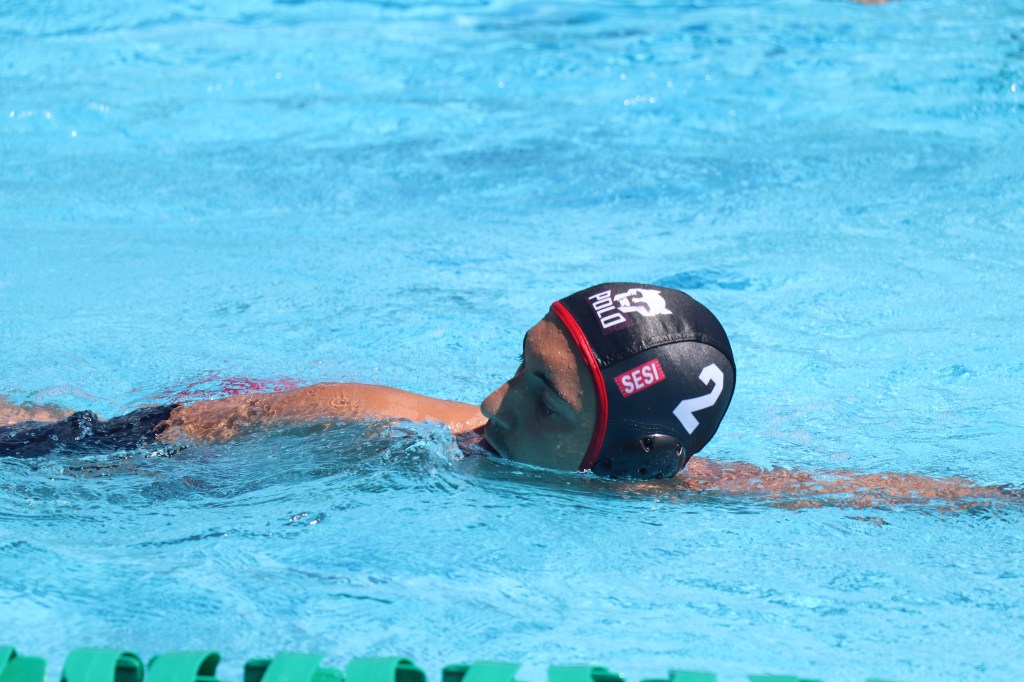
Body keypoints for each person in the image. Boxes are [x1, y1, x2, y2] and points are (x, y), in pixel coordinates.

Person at [0, 282, 1014, 507]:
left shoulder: (650, 485)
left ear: (630, 459)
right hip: (175, 438)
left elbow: (816, 491)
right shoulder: (392, 432)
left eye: (543, 401)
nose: (494, 401)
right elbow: (128, 441)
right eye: (524, 367)